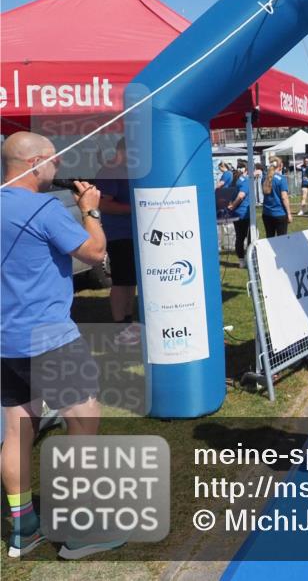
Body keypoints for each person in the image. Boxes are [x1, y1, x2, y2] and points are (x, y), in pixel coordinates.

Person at [1, 132, 123, 559]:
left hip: (6, 342)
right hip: (49, 337)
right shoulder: (43, 207)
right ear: (36, 163)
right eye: (54, 163)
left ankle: (24, 529)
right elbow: (95, 252)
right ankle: (83, 530)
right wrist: (91, 211)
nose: (57, 170)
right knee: (83, 425)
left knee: (17, 429)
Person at [94, 138, 140, 345]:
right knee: (122, 281)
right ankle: (120, 327)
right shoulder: (110, 172)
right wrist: (136, 209)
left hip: (133, 234)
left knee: (130, 281)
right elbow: (102, 204)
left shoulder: (126, 171)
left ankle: (128, 323)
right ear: (122, 150)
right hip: (119, 234)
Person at [226, 164, 253, 268]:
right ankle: (248, 260)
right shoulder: (245, 181)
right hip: (244, 214)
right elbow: (241, 196)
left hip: (236, 215)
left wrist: (231, 206)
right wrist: (233, 206)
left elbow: (228, 194)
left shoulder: (234, 181)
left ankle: (241, 261)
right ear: (245, 170)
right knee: (250, 237)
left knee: (239, 237)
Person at [261, 157, 292, 238]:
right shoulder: (281, 179)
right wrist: (289, 213)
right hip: (279, 214)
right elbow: (284, 197)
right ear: (280, 165)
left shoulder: (264, 178)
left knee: (269, 238)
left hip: (267, 213)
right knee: (282, 240)